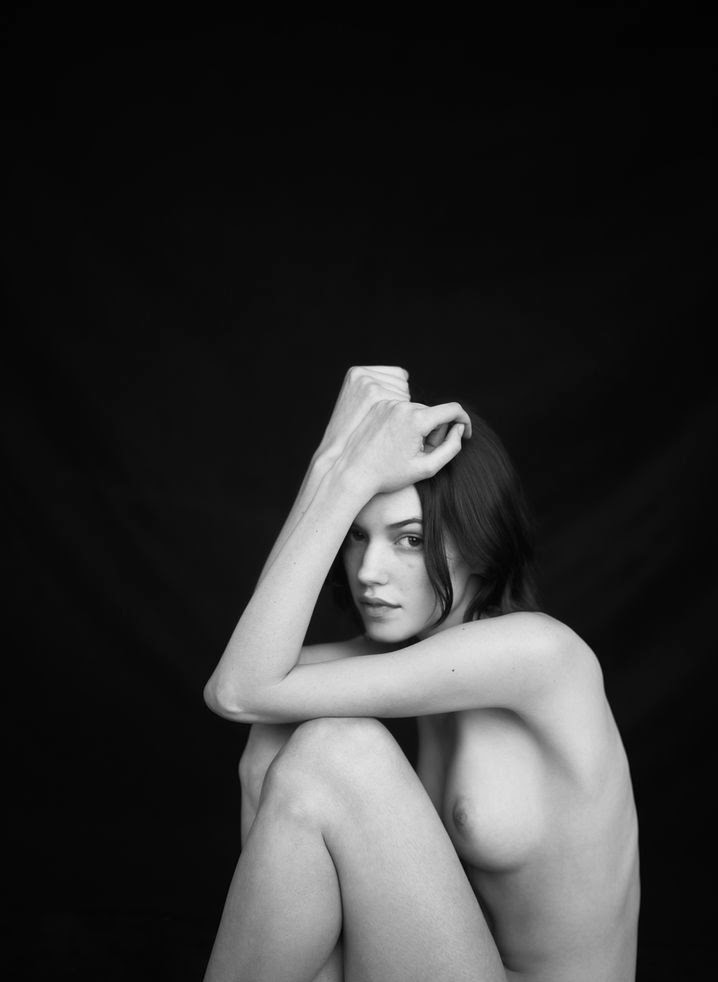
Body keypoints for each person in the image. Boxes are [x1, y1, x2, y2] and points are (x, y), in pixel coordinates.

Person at [202, 365, 640, 982]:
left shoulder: (539, 653)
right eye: (356, 536)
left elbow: (239, 689)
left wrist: (346, 474)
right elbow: (250, 678)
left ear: (479, 543)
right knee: (278, 730)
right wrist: (332, 467)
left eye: (409, 539)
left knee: (337, 747)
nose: (368, 571)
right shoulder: (401, 659)